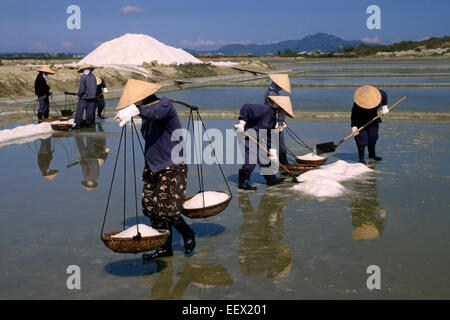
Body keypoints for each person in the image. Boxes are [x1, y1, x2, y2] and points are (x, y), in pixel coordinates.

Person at [114, 79, 195, 260]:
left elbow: (156, 113)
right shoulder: (147, 116)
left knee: (168, 209)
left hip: (172, 165)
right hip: (152, 166)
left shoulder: (164, 104)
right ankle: (164, 247)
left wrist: (137, 110)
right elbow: (149, 122)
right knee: (151, 207)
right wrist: (139, 113)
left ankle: (187, 233)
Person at [235, 96, 294, 190]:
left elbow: (269, 136)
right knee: (252, 159)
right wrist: (241, 123)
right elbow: (246, 107)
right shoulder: (265, 109)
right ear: (278, 107)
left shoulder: (274, 120)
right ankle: (243, 183)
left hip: (257, 136)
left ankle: (270, 179)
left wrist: (269, 149)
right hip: (247, 134)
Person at [351, 85, 389, 164]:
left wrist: (384, 107)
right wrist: (354, 126)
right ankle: (361, 159)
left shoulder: (379, 95)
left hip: (373, 119)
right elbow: (353, 116)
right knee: (362, 140)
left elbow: (384, 96)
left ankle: (372, 154)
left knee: (373, 137)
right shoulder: (358, 104)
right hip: (360, 121)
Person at [264, 74, 291, 165]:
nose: (282, 88)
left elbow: (280, 109)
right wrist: (279, 123)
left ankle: (283, 163)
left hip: (276, 120)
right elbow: (276, 109)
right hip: (272, 121)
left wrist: (282, 121)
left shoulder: (274, 91)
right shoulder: (271, 94)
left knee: (279, 143)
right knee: (277, 144)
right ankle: (282, 164)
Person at [74, 63, 97, 129]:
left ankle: (77, 124)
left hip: (84, 97)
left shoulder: (83, 77)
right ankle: (89, 124)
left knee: (79, 111)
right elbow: (95, 87)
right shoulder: (93, 77)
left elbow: (82, 89)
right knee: (90, 112)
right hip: (92, 97)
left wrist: (78, 95)